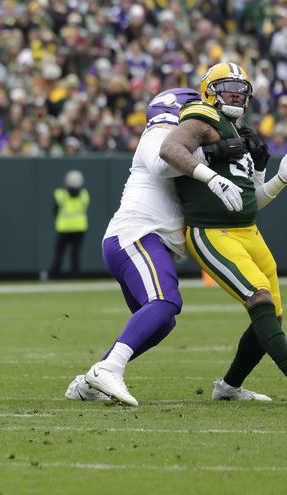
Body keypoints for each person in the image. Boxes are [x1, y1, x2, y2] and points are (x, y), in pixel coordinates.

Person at [65, 88, 208, 406]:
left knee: (162, 321)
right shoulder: (159, 133)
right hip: (137, 235)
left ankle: (93, 378)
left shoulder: (182, 141)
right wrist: (209, 160)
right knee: (165, 301)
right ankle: (108, 370)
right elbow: (162, 164)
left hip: (139, 238)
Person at [159, 62, 287, 403]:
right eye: (228, 87)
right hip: (213, 231)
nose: (237, 94)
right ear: (209, 90)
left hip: (248, 231)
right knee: (258, 298)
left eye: (242, 89)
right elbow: (170, 150)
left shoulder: (240, 133)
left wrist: (279, 179)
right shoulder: (202, 115)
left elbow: (248, 202)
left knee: (272, 314)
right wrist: (209, 175)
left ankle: (228, 388)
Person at [48, 170, 90, 279]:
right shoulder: (84, 194)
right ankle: (75, 274)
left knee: (59, 252)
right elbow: (85, 207)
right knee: (75, 253)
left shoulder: (60, 194)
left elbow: (55, 211)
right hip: (80, 227)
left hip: (64, 228)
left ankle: (54, 274)